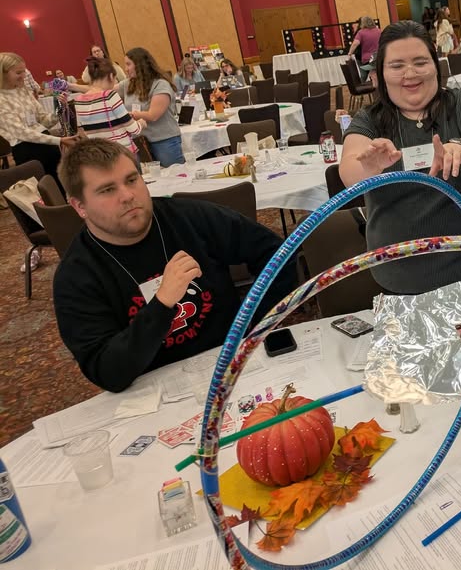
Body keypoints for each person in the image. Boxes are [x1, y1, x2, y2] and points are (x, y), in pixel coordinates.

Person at [53, 138, 296, 392]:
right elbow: (107, 372)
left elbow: (278, 254)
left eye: (132, 180)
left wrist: (254, 326)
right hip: (152, 390)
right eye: (107, 190)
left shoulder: (189, 218)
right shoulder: (76, 276)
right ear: (79, 206)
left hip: (232, 363)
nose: (127, 196)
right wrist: (161, 305)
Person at [339, 20, 461, 295]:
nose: (410, 73)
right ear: (381, 73)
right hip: (403, 279)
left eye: (420, 62)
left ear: (435, 66)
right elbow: (349, 171)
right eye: (396, 65)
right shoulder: (369, 120)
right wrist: (368, 168)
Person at [0, 52, 79, 179]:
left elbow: (44, 120)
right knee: (46, 192)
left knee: (62, 187)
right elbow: (22, 133)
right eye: (18, 73)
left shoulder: (23, 91)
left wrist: (60, 109)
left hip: (47, 146)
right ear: (3, 73)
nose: (24, 76)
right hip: (27, 152)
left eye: (24, 71)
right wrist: (59, 140)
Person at [121, 47, 184, 167]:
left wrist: (129, 115)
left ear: (140, 65)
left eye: (128, 64)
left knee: (176, 177)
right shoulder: (127, 84)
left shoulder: (160, 84)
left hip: (164, 141)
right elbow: (103, 89)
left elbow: (153, 115)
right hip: (140, 142)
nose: (126, 69)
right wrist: (74, 87)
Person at [73, 56, 143, 154]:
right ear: (111, 76)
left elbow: (82, 132)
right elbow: (134, 129)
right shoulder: (110, 95)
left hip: (101, 154)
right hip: (121, 153)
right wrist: (142, 123)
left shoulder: (78, 101)